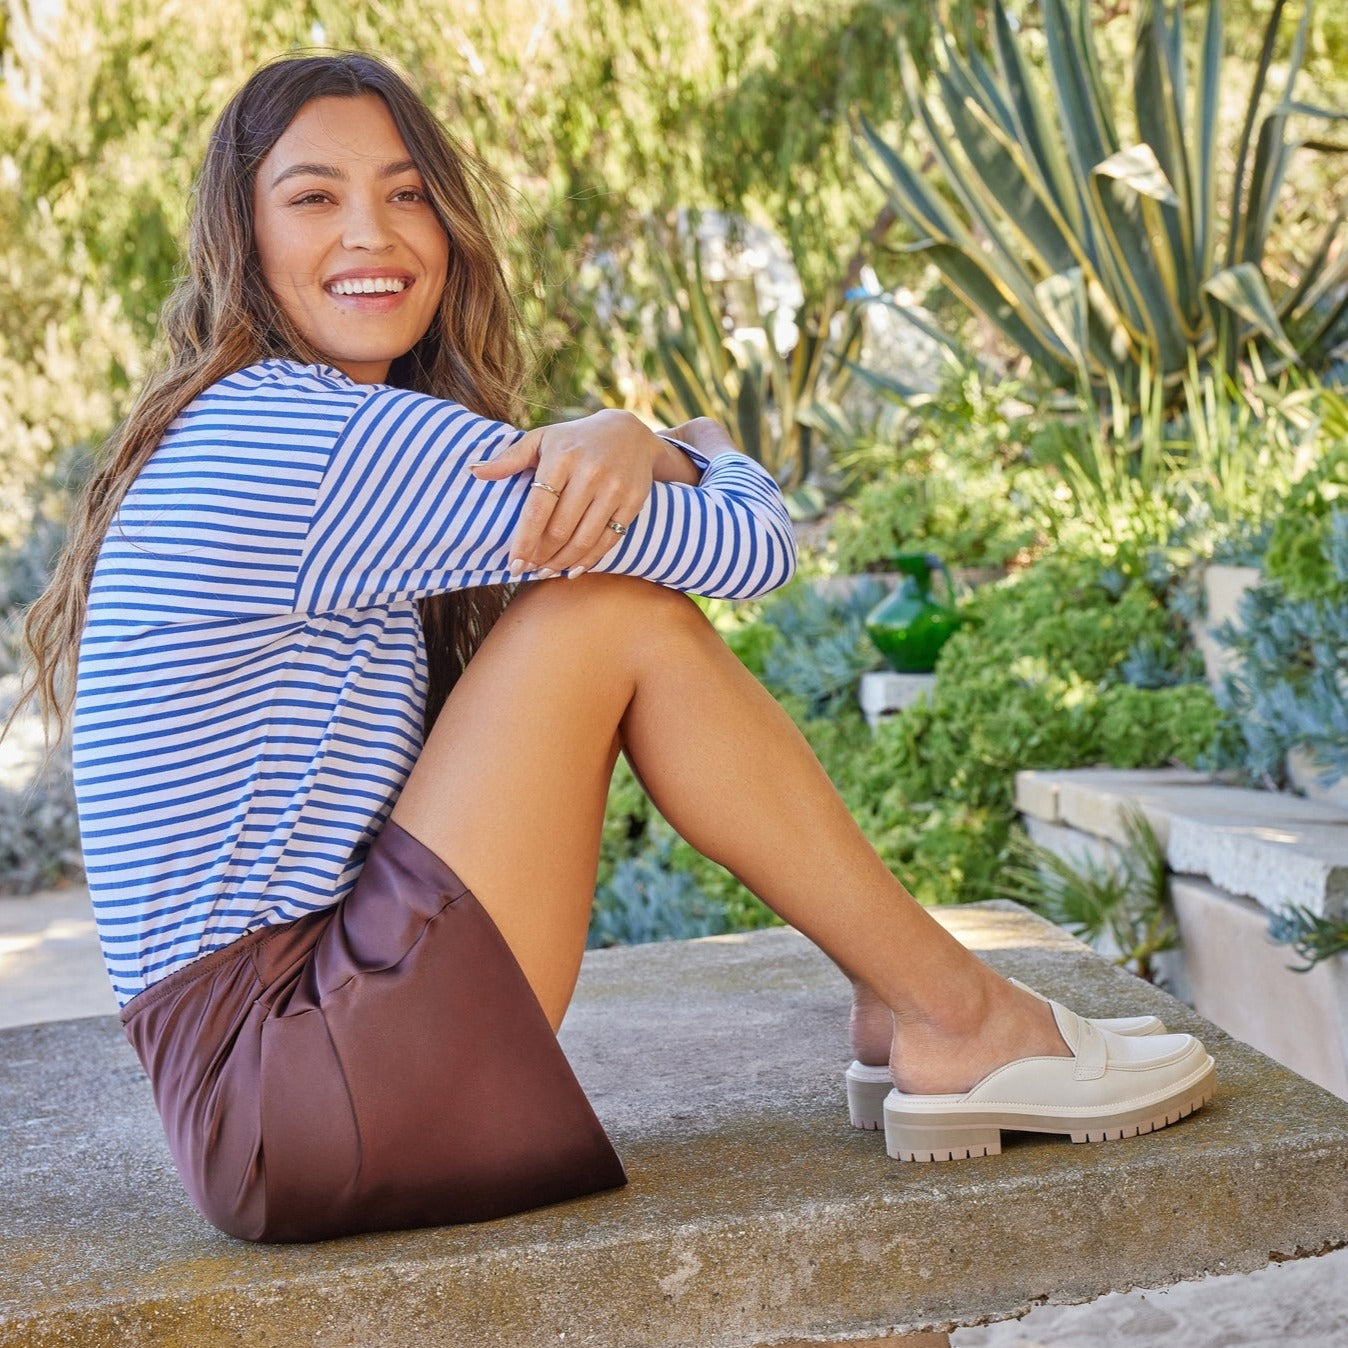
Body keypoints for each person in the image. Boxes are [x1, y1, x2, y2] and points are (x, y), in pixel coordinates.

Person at [11, 52, 1214, 1244]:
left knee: (595, 606)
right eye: (314, 197)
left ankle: (907, 998)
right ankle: (952, 1012)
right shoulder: (300, 439)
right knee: (611, 615)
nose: (370, 233)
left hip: (272, 1079)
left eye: (408, 191)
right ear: (245, 237)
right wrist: (672, 444)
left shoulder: (275, 418)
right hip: (288, 1078)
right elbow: (750, 549)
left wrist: (629, 443)